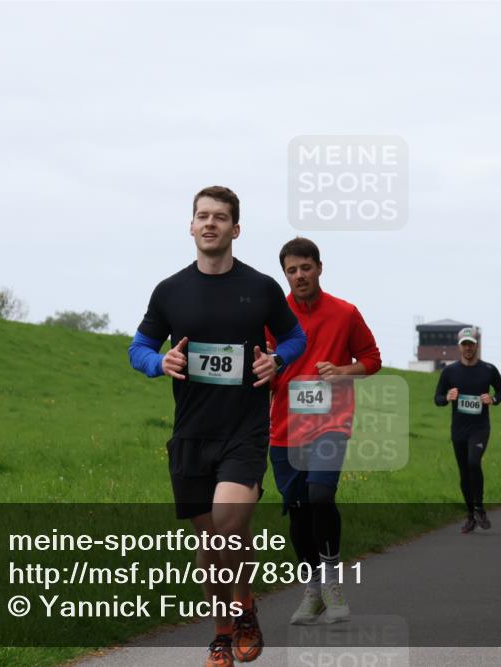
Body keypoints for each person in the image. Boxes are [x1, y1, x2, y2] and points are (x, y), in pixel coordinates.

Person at [128, 186, 307, 667]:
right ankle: (226, 628)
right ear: (191, 226)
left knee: (228, 525)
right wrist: (156, 361)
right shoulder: (170, 291)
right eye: (202, 216)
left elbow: (295, 336)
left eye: (221, 217)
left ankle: (243, 612)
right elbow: (137, 347)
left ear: (235, 229)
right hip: (190, 433)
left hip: (244, 430)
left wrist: (277, 360)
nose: (210, 224)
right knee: (210, 547)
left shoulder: (262, 287)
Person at [266, 237, 381, 626]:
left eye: (305, 267)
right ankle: (312, 588)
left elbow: (372, 359)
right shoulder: (273, 315)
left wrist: (343, 371)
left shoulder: (345, 313)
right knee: (297, 509)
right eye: (291, 271)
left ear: (319, 267)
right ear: (285, 275)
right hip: (285, 426)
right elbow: (262, 368)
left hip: (331, 422)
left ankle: (332, 579)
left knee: (320, 494)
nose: (299, 276)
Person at [434, 326, 501, 532]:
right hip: (458, 429)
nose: (468, 348)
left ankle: (480, 508)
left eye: (471, 344)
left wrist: (492, 399)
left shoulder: (488, 370)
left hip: (480, 427)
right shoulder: (450, 371)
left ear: (476, 345)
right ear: (459, 347)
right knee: (464, 472)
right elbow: (437, 398)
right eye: (464, 344)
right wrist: (447, 397)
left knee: (474, 462)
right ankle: (470, 515)